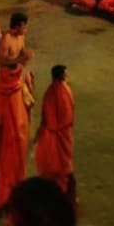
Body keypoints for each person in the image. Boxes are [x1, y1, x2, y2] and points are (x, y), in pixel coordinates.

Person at [0, 12, 33, 209]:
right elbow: (1, 62)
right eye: (24, 27)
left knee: (21, 128)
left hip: (17, 82)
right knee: (11, 128)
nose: (25, 30)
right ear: (16, 26)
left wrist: (22, 61)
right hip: (7, 85)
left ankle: (18, 163)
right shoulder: (5, 39)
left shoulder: (21, 38)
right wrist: (21, 59)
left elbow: (21, 58)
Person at [34, 64, 75, 197]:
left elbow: (48, 115)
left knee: (52, 164)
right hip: (61, 134)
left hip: (56, 133)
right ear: (61, 76)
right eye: (65, 74)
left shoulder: (53, 91)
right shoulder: (63, 90)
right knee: (61, 165)